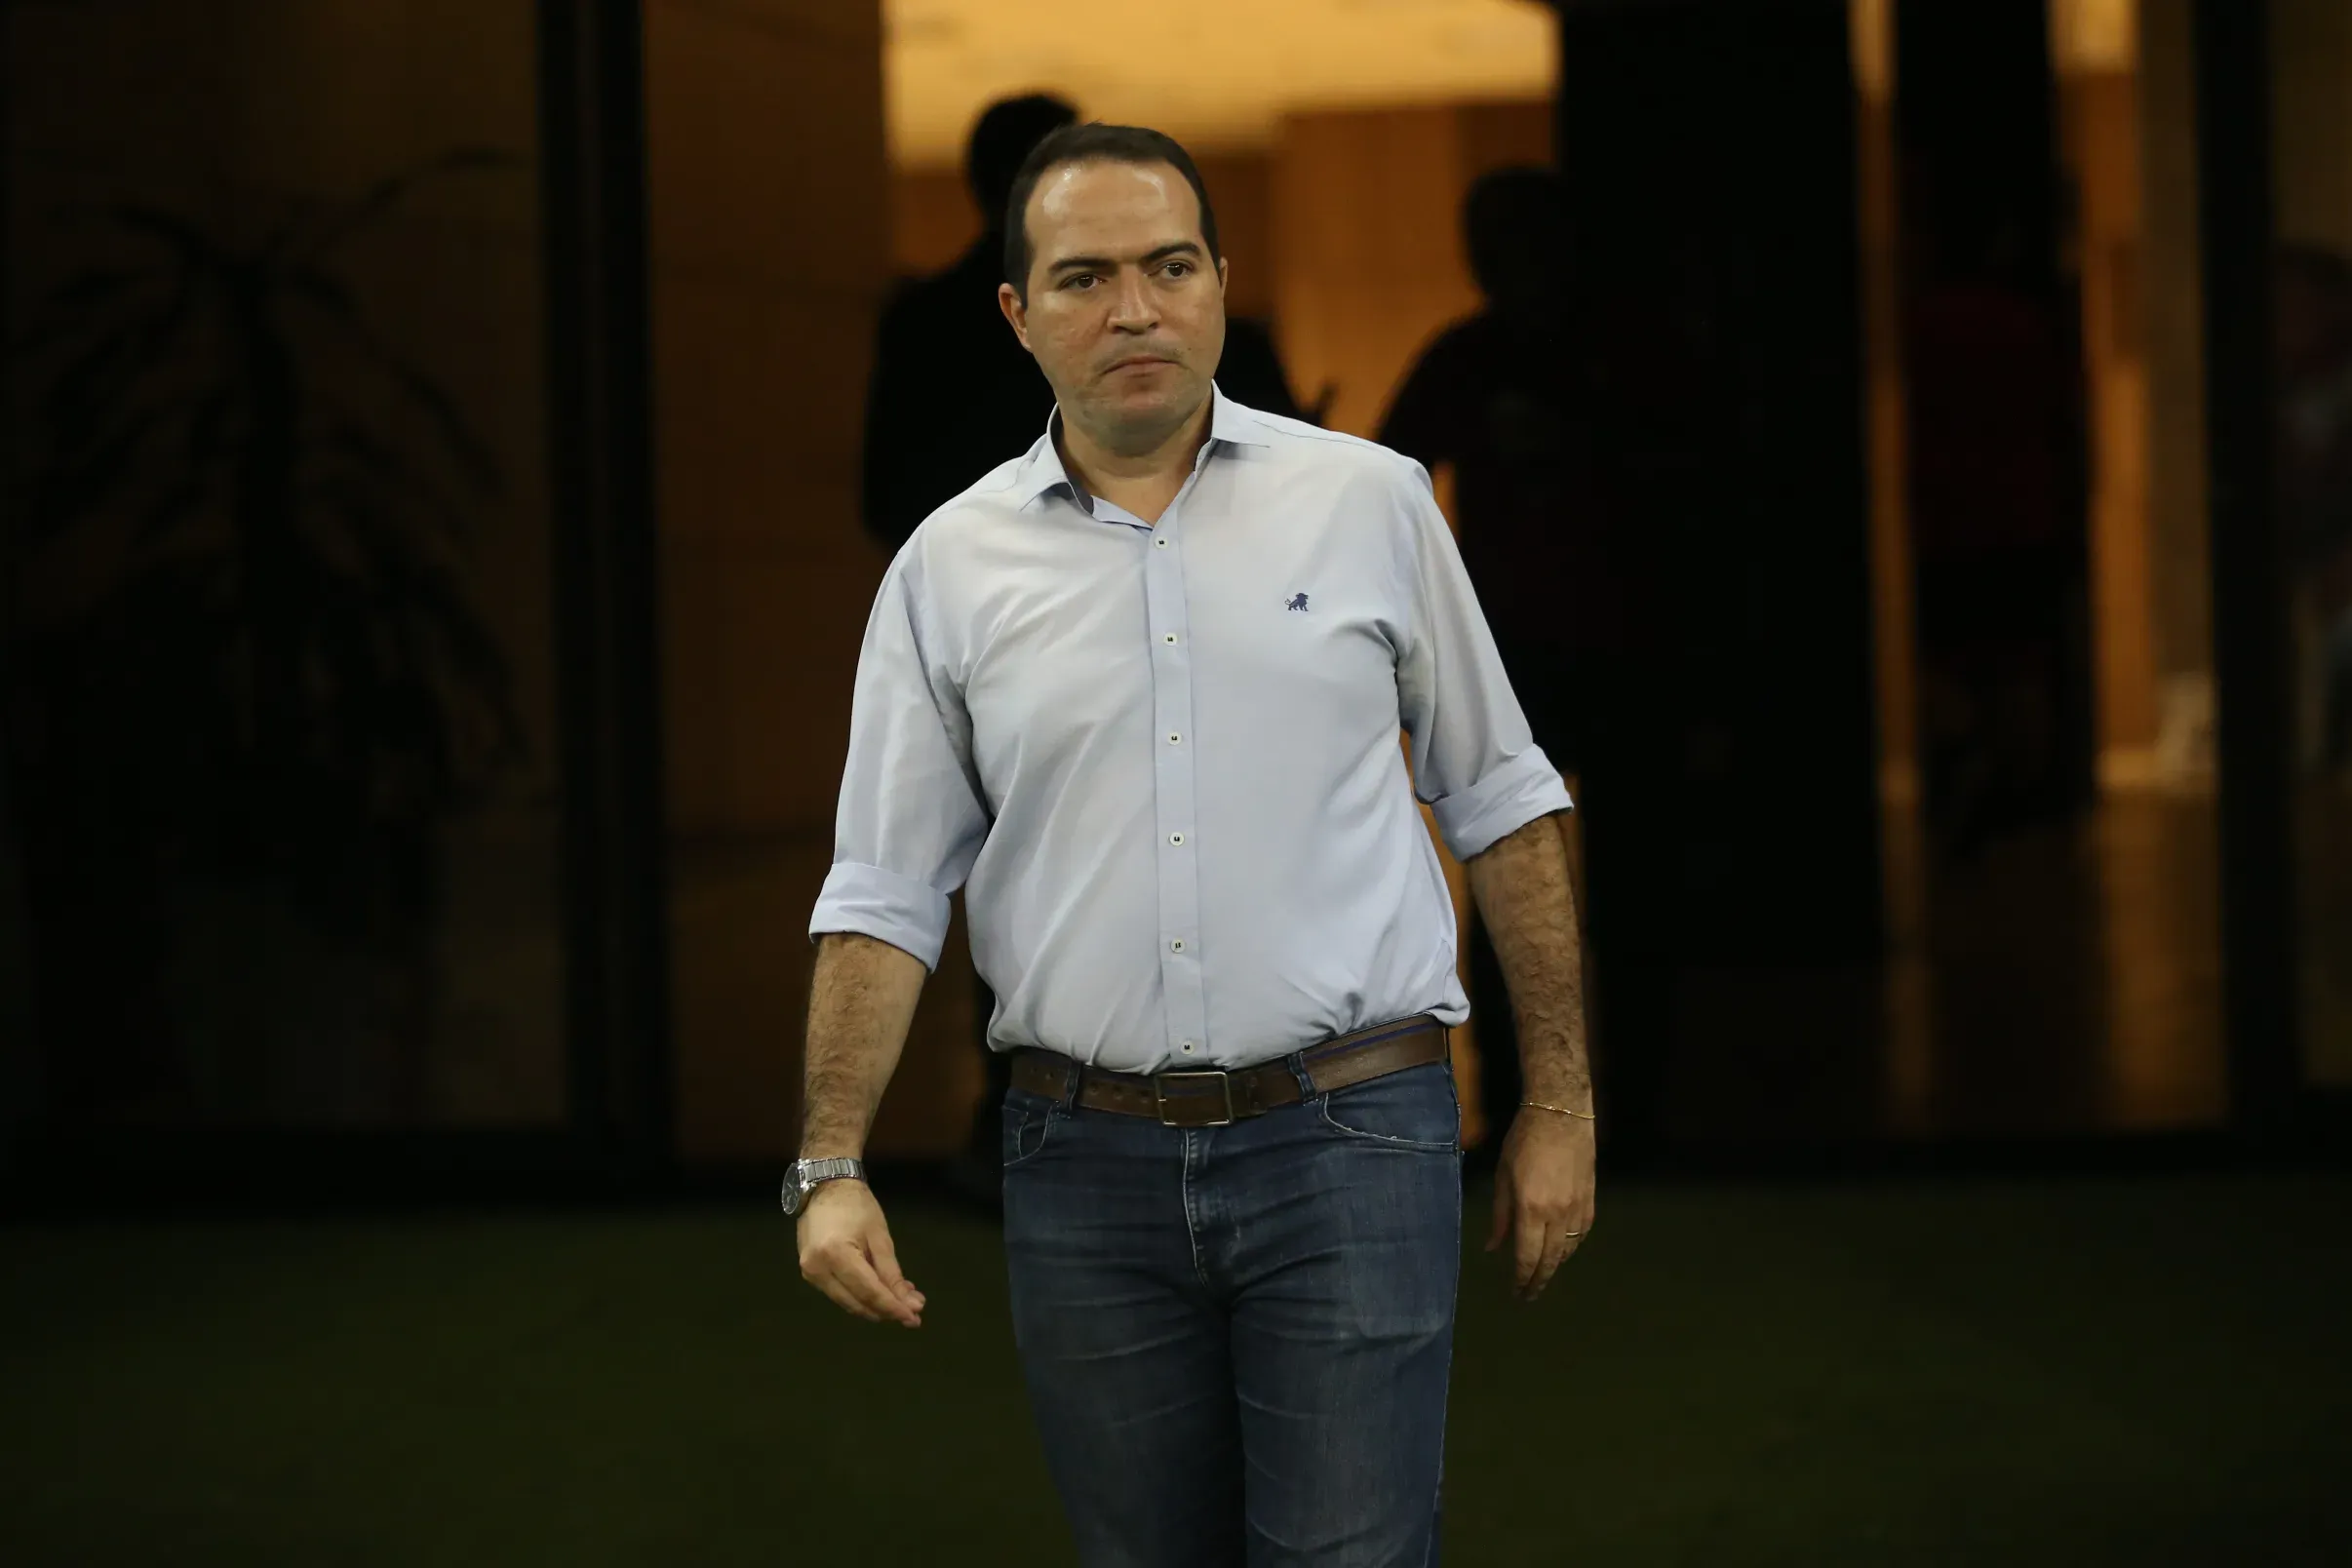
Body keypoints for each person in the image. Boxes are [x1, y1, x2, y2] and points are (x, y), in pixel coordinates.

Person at [795, 123, 1595, 1566]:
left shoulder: (1370, 503)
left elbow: (1504, 801)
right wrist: (829, 1159)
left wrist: (1560, 1100)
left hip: (1351, 1138)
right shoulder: (948, 570)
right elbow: (886, 891)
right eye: (1084, 276)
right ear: (1017, 313)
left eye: (1170, 266)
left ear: (1224, 281)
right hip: (1078, 1164)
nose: (1135, 309)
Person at [860, 98, 1309, 1209]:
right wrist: (997, 558)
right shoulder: (938, 323)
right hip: (1021, 627)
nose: (1126, 316)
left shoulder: (940, 319)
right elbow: (893, 495)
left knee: (1035, 872)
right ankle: (1053, 1118)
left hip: (1173, 623)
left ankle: (1093, 1115)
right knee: (1031, 870)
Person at [1376, 167, 1634, 1172]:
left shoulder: (1583, 361)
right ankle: (1532, 1106)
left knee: (1597, 888)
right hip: (1515, 654)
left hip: (1589, 649)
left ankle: (1610, 1108)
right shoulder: (1478, 360)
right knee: (1505, 883)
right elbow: (1390, 484)